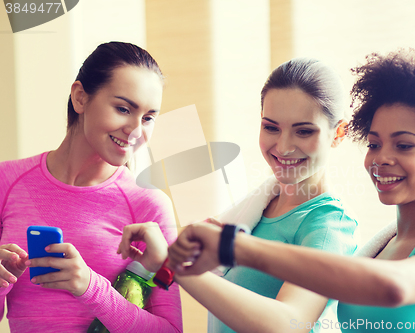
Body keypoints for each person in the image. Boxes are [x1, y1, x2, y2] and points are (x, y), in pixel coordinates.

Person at [119, 48, 415, 333]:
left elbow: (392, 288)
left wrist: (236, 247)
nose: (382, 159)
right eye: (374, 144)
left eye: (404, 146)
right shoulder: (379, 249)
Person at [120, 58, 358, 333]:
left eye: (303, 131)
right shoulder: (256, 211)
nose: (283, 146)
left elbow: (289, 324)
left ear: (339, 133)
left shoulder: (328, 225)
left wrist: (171, 264)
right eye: (271, 127)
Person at [0, 42, 182, 332]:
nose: (136, 130)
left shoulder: (149, 204)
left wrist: (90, 287)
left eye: (148, 118)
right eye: (123, 109)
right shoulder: (6, 182)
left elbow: (171, 329)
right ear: (80, 98)